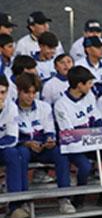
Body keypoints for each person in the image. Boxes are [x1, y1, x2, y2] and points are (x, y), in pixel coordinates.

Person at [53, 66, 102, 208]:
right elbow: (69, 134)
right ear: (79, 85)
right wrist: (90, 133)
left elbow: (97, 119)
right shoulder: (61, 104)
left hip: (91, 142)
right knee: (84, 166)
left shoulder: (89, 96)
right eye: (89, 83)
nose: (92, 86)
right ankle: (79, 198)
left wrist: (95, 131)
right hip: (73, 146)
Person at [14, 72, 76, 214]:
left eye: (34, 92)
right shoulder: (11, 108)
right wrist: (26, 143)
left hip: (42, 148)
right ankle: (23, 201)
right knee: (20, 154)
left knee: (60, 152)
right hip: (24, 148)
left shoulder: (44, 107)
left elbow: (49, 130)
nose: (31, 96)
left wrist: (49, 141)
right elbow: (12, 136)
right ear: (18, 91)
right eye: (27, 92)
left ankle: (64, 198)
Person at [0, 74, 27, 218]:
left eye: (3, 92)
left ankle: (15, 205)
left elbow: (12, 137)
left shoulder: (11, 107)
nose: (0, 96)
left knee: (14, 153)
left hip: (2, 148)